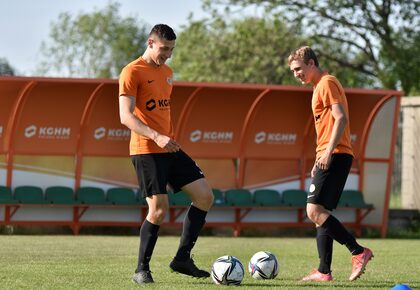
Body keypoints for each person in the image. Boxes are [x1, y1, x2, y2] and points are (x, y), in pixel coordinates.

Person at [119, 24, 214, 284]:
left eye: (172, 49)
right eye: (164, 49)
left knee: (205, 196)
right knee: (159, 210)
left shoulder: (168, 72)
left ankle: (182, 258)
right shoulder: (132, 71)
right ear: (150, 43)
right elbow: (125, 117)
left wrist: (166, 138)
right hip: (146, 149)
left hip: (169, 148)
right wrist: (157, 136)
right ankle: (141, 269)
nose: (168, 54)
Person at [288, 46, 373, 282]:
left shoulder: (327, 83)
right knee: (320, 212)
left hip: (335, 153)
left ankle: (358, 251)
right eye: (293, 71)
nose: (296, 74)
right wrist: (320, 156)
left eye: (298, 69)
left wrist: (326, 153)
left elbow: (341, 118)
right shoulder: (318, 87)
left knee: (313, 211)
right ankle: (324, 270)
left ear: (312, 63)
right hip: (329, 154)